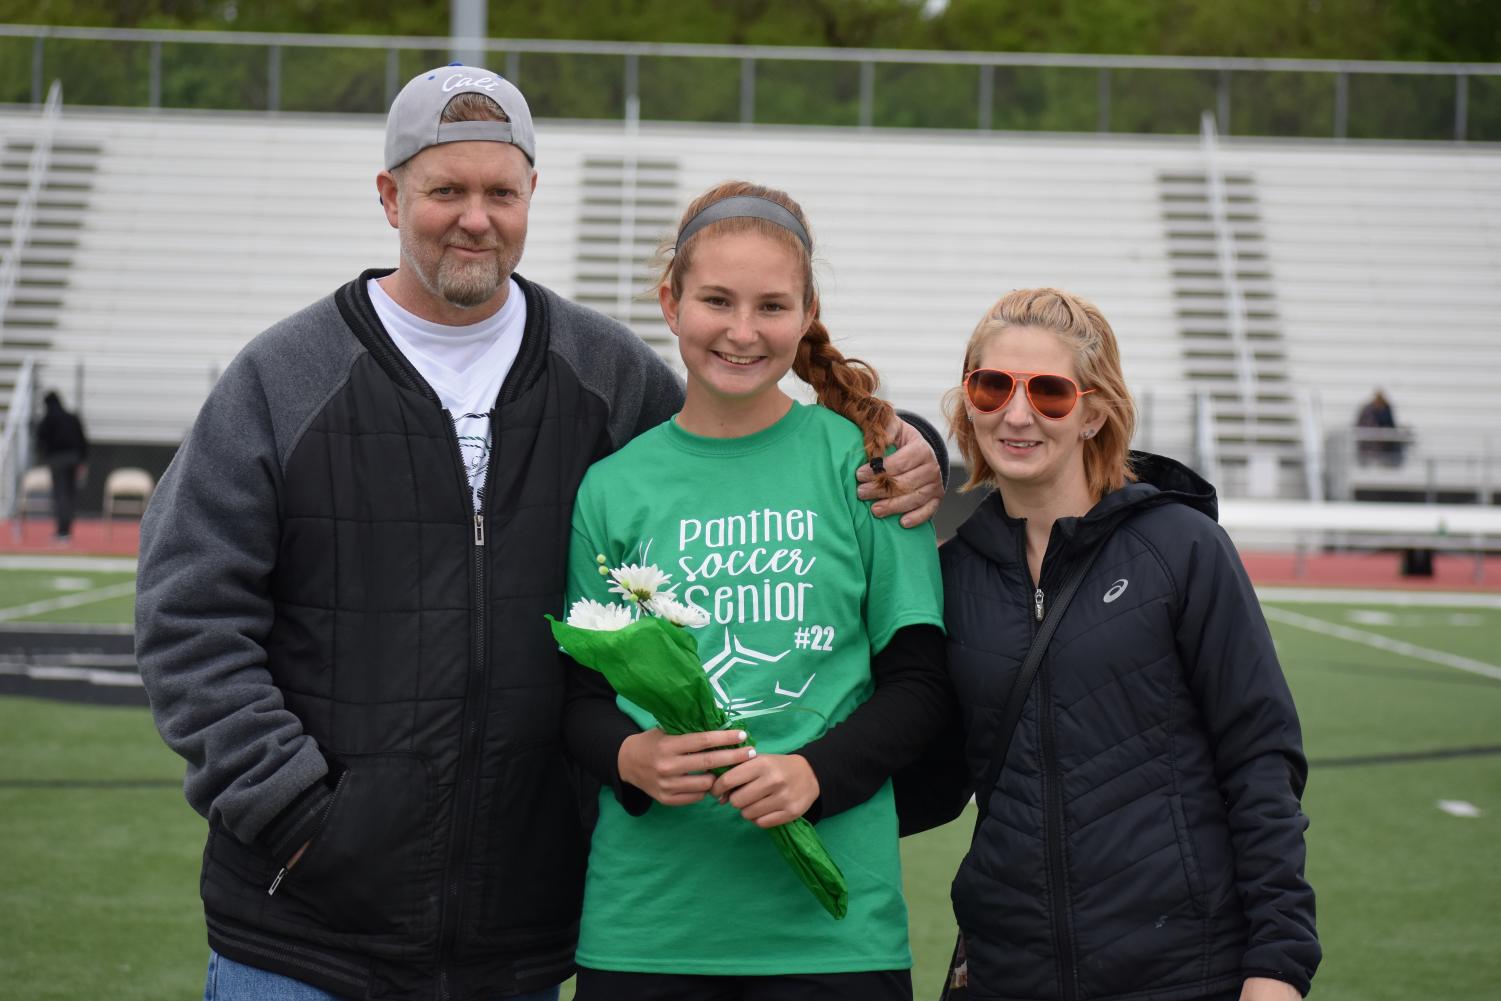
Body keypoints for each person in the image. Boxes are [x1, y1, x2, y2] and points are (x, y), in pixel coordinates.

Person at [133, 68, 945, 1001]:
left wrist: (912, 446)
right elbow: (188, 616)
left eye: (499, 193)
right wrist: (300, 816)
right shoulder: (282, 376)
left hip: (512, 932)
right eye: (446, 190)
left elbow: (747, 430)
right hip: (302, 929)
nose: (474, 218)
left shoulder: (606, 371)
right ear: (391, 195)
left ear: (530, 200)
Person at [559, 182, 950, 1001]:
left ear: (807, 312)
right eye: (715, 300)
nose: (741, 331)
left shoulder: (868, 463)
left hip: (831, 934)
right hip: (647, 929)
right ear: (670, 303)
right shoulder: (610, 487)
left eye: (771, 305)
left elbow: (920, 685)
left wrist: (814, 771)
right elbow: (578, 693)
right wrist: (632, 756)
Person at [899, 288, 1319, 1001]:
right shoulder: (950, 572)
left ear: (1094, 411)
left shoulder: (1180, 547)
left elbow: (1258, 757)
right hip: (1009, 969)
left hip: (1181, 971)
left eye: (1050, 392)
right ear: (967, 399)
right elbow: (931, 782)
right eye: (991, 385)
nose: (1017, 413)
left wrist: (1276, 963)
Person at [35, 389, 88, 543]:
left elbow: (40, 441)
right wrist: (82, 460)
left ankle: (62, 530)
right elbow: (82, 440)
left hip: (57, 460)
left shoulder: (47, 420)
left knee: (60, 495)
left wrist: (45, 456)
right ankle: (67, 529)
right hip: (73, 458)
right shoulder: (71, 418)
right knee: (69, 495)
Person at [1355, 388, 1401, 466]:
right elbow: (1364, 424)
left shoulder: (1386, 408)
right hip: (1370, 441)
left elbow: (1390, 424)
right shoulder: (1368, 410)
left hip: (1384, 443)